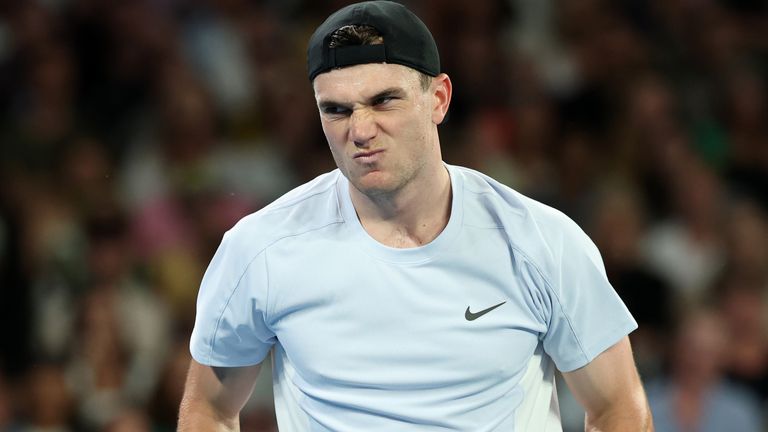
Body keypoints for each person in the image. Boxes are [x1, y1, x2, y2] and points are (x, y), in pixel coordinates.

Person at [178, 1, 653, 430]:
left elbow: (617, 409)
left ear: (439, 99)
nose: (360, 129)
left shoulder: (541, 242)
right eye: (336, 110)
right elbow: (209, 411)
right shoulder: (260, 248)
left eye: (384, 100)